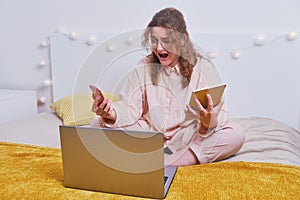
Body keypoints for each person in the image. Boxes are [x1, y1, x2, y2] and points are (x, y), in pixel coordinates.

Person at [90, 7, 245, 166]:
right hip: (149, 137)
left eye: (165, 41)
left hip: (185, 139)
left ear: (182, 40)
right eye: (154, 40)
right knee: (97, 122)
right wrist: (109, 113)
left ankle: (169, 164)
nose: (158, 48)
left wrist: (208, 122)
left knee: (236, 134)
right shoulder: (144, 66)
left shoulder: (203, 68)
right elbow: (129, 108)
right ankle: (156, 158)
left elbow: (219, 117)